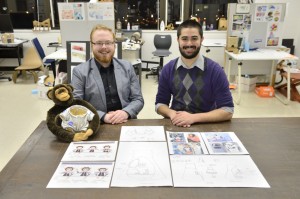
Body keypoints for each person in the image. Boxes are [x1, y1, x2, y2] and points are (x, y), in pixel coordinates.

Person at [155, 19, 234, 128]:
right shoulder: (168, 69)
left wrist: (193, 118)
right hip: (176, 123)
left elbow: (228, 110)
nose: (189, 43)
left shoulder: (215, 71)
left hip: (206, 125)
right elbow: (160, 104)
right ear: (178, 40)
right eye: (184, 39)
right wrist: (173, 114)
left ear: (202, 39)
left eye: (194, 38)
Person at [72, 24, 144, 124]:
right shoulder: (79, 72)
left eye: (108, 43)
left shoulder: (127, 67)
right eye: (99, 43)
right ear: (91, 45)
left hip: (126, 121)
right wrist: (103, 116)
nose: (104, 47)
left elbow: (138, 99)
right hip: (96, 124)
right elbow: (76, 105)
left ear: (114, 44)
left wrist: (125, 112)